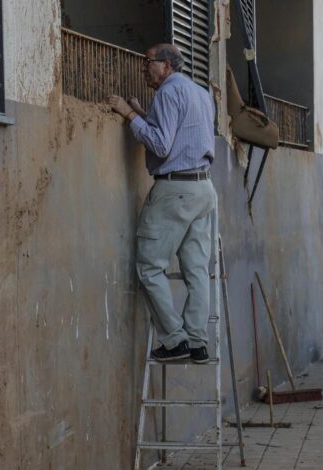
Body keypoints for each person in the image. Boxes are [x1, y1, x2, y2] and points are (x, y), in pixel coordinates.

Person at [107, 44, 217, 363]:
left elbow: (161, 144)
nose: (144, 67)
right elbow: (177, 135)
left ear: (166, 66)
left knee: (148, 266)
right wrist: (143, 114)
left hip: (175, 190)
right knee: (196, 270)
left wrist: (128, 115)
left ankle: (174, 340)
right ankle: (198, 342)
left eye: (148, 62)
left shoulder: (168, 94)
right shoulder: (198, 93)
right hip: (203, 189)